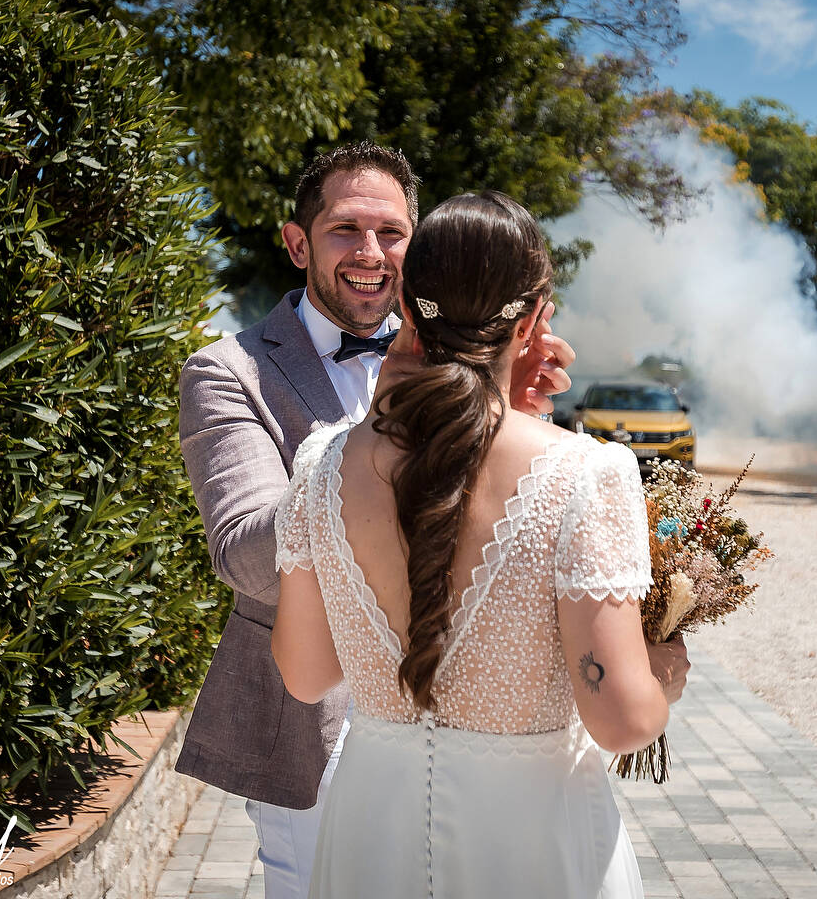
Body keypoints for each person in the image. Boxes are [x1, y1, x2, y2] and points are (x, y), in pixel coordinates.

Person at [176, 143, 575, 899]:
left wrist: (518, 418)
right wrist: (364, 449)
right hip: (313, 721)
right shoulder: (226, 372)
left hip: (472, 721)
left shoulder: (466, 360)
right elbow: (243, 557)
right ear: (297, 243)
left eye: (391, 233)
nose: (371, 253)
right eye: (344, 230)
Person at [269, 190, 690, 897]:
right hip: (535, 841)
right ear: (532, 320)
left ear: (408, 308)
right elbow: (620, 721)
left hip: (371, 834)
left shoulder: (322, 467)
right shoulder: (584, 474)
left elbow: (306, 676)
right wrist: (661, 679)